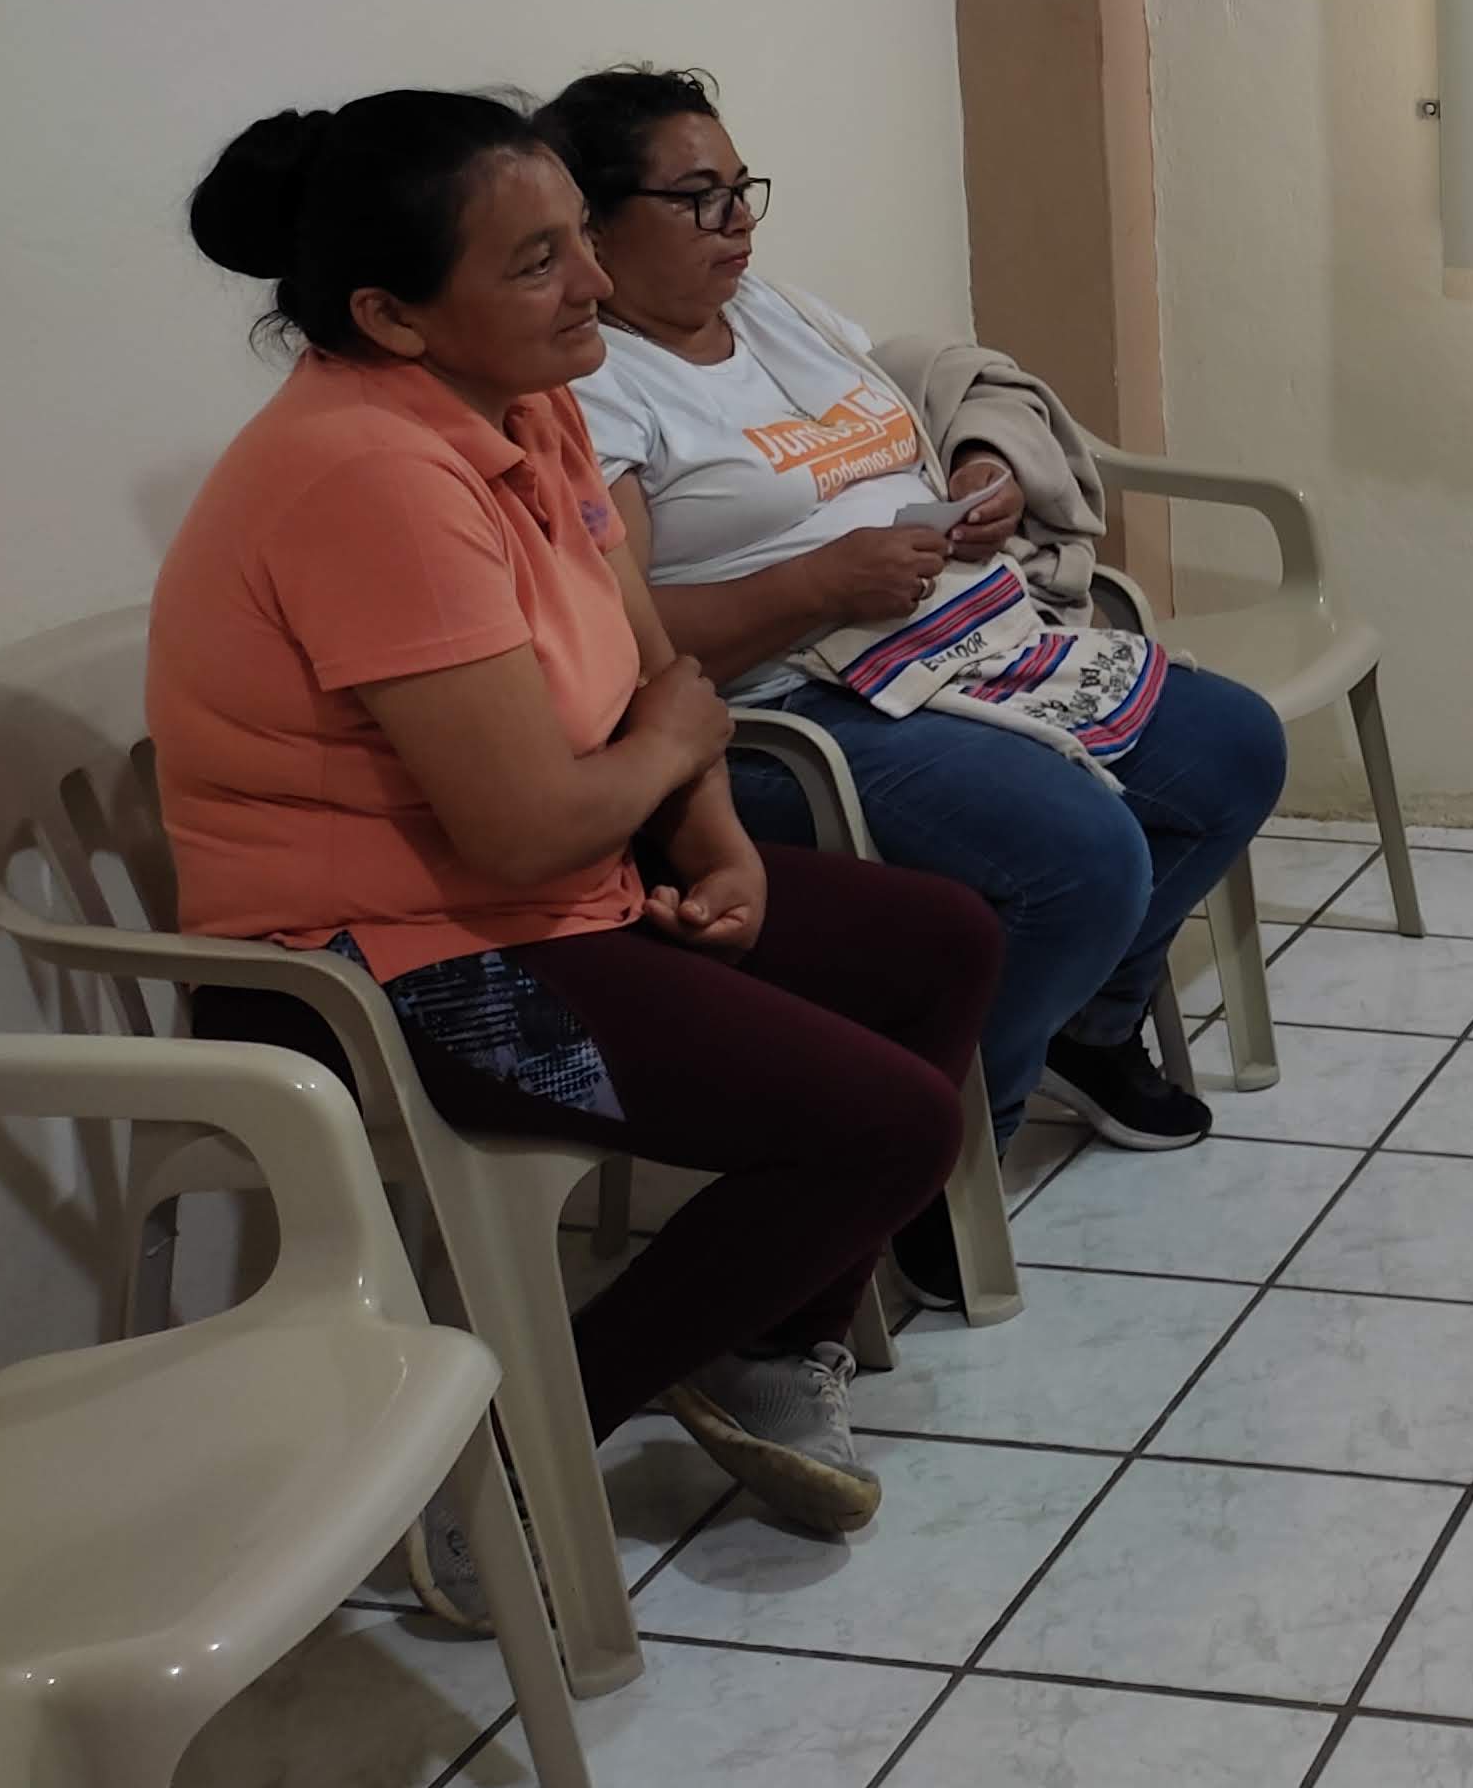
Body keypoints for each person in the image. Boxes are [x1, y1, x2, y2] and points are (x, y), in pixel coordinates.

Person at [153, 91, 1002, 1578]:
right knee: (882, 1123)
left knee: (938, 944)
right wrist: (671, 753)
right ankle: (507, 1465)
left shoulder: (530, 401)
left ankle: (763, 1344)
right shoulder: (367, 475)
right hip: (374, 971)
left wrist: (713, 832)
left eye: (578, 243)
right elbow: (526, 823)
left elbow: (646, 666)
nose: (596, 284)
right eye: (539, 261)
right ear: (390, 316)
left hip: (549, 894)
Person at [539, 69, 1292, 1305]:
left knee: (1232, 749)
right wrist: (816, 586)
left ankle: (1089, 1027)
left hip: (952, 629)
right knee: (1081, 856)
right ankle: (952, 1152)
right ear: (597, 225)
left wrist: (978, 479)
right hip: (787, 704)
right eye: (697, 199)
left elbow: (906, 435)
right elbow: (624, 642)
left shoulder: (775, 312)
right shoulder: (592, 386)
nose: (737, 223)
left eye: (741, 190)